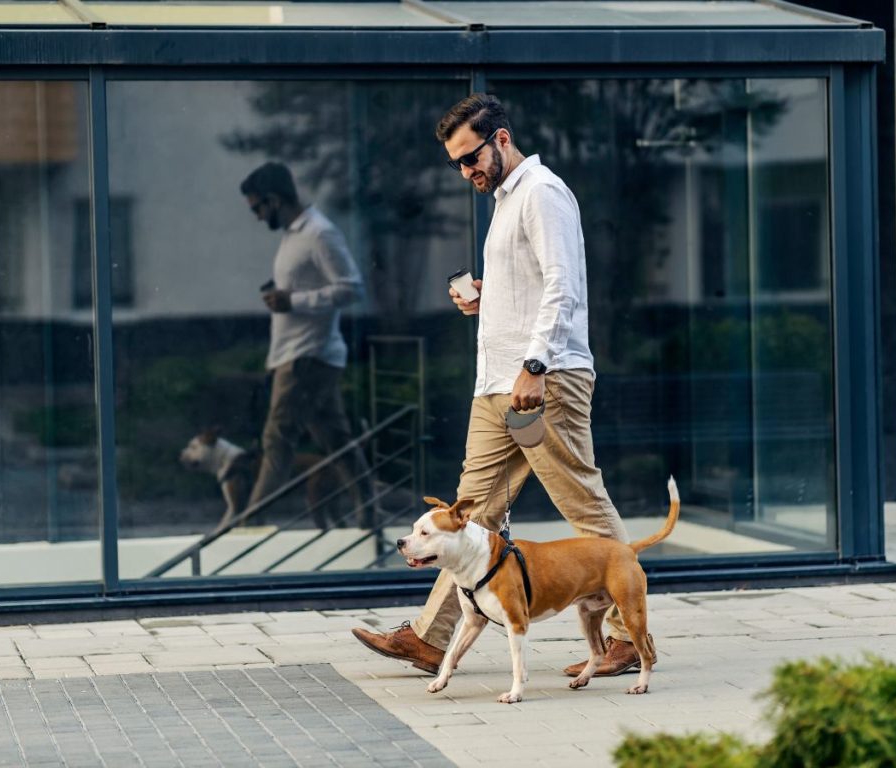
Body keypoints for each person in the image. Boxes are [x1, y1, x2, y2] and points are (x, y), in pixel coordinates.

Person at [352, 94, 655, 678]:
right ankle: (430, 638)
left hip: (546, 378)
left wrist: (535, 366)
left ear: (503, 138)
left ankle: (623, 636)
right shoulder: (505, 201)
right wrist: (489, 296)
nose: (467, 171)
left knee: (583, 504)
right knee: (470, 511)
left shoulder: (542, 193)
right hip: (495, 381)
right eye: (457, 164)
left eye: (472, 157)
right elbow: (533, 284)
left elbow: (564, 286)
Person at [240, 161, 375, 528]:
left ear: (273, 199)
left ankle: (248, 525)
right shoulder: (293, 235)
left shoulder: (319, 233)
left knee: (276, 440)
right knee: (337, 440)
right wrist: (286, 296)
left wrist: (294, 301)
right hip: (299, 353)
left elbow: (352, 288)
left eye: (257, 207)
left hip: (307, 356)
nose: (256, 216)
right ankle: (370, 515)